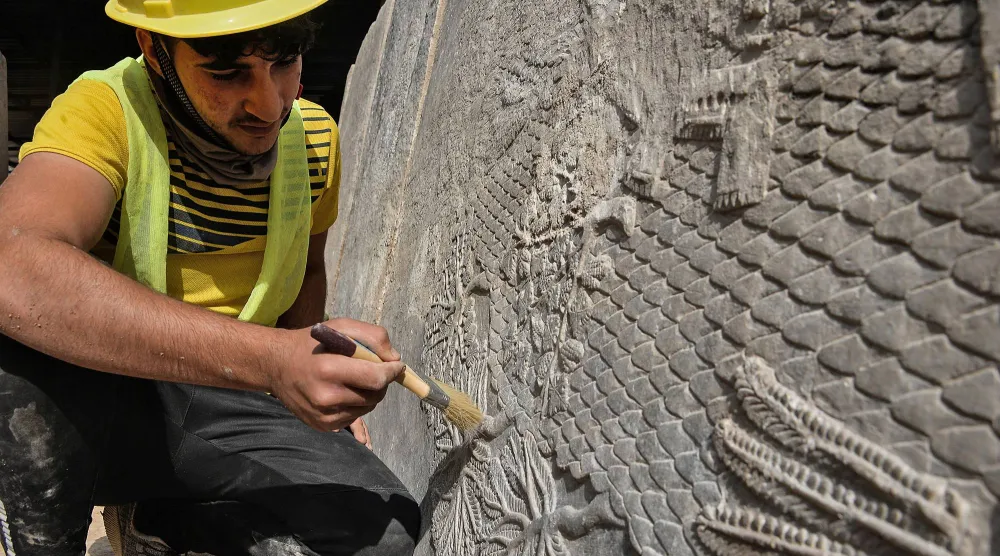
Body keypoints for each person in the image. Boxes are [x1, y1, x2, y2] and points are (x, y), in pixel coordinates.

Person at [0, 1, 420, 554]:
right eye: (227, 73)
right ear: (155, 49)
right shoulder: (105, 112)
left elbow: (308, 267)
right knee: (18, 364)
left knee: (382, 533)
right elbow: (14, 262)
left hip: (235, 403)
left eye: (286, 61)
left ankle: (164, 524)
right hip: (109, 399)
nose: (270, 104)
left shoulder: (315, 140)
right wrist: (272, 358)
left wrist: (317, 361)